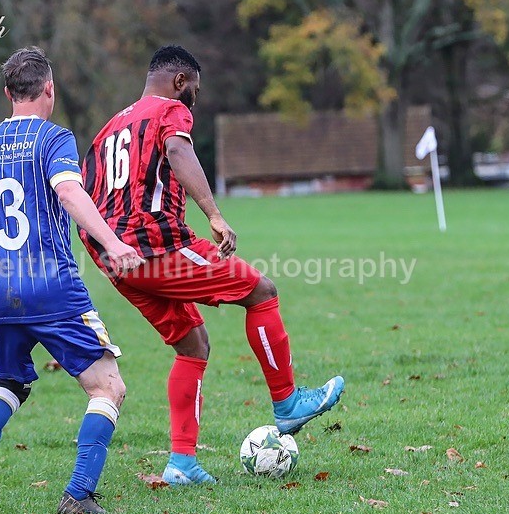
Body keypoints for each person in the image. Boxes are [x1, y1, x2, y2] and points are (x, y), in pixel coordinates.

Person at [77, 45, 345, 485]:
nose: (193, 103)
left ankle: (181, 464)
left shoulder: (107, 130)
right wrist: (215, 215)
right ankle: (288, 402)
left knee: (193, 345)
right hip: (155, 245)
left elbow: (85, 195)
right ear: (179, 81)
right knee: (261, 290)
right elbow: (180, 155)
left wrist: (108, 250)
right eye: (193, 92)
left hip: (115, 259)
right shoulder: (169, 111)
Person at [0, 46, 143, 514]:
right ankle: (79, 494)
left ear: (8, 93)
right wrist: (113, 243)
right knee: (108, 388)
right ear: (50, 89)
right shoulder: (54, 139)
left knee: (10, 380)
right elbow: (68, 191)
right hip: (50, 284)